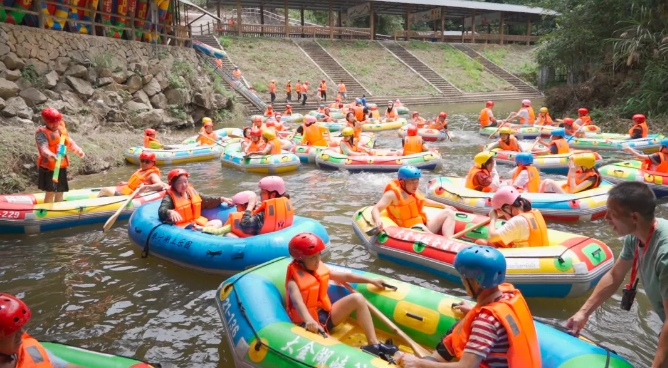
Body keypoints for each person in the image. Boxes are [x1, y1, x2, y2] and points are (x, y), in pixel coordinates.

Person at [565, 182, 668, 367]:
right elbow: (614, 276)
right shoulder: (635, 236)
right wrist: (584, 313)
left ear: (634, 217)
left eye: (612, 213)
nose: (605, 218)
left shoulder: (665, 253)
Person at [395, 246, 541, 368]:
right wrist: (473, 311)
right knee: (460, 326)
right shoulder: (507, 293)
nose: (462, 281)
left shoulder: (486, 322)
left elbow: (465, 367)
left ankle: (429, 361)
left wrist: (418, 363)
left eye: (464, 278)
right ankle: (437, 358)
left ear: (477, 283)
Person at [285, 233, 399, 359]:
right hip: (308, 325)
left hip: (324, 316)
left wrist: (371, 280)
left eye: (319, 255)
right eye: (312, 257)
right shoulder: (293, 283)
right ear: (300, 260)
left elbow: (344, 277)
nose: (318, 260)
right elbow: (298, 303)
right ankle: (360, 357)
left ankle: (373, 344)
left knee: (357, 298)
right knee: (337, 347)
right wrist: (309, 321)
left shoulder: (318, 269)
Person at [0, 293, 85, 368]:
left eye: (20, 329)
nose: (21, 333)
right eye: (13, 331)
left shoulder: (28, 349)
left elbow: (61, 365)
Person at [371, 166, 454, 236]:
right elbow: (376, 209)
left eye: (416, 182)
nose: (415, 185)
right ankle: (441, 241)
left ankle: (449, 241)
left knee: (448, 213)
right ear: (402, 182)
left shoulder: (414, 190)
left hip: (423, 226)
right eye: (411, 182)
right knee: (420, 227)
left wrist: (444, 206)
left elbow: (424, 201)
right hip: (407, 232)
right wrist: (378, 220)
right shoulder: (392, 194)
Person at [36, 107, 85, 204]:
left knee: (60, 189)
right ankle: (48, 209)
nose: (55, 124)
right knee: (50, 191)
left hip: (60, 165)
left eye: (57, 121)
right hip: (49, 167)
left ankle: (59, 205)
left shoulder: (61, 129)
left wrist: (78, 150)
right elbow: (43, 148)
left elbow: (69, 142)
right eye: (51, 122)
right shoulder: (42, 133)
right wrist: (50, 155)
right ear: (45, 121)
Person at [158, 169, 232, 228]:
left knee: (218, 223)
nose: (184, 185)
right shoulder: (169, 197)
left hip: (195, 223)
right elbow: (162, 210)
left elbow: (206, 199)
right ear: (173, 185)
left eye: (185, 181)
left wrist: (221, 199)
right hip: (183, 228)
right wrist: (169, 212)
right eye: (179, 182)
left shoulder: (190, 192)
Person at [477, 186, 548, 248]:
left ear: (507, 207)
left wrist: (493, 218)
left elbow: (491, 237)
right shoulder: (532, 212)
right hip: (537, 252)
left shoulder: (517, 221)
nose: (504, 215)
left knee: (480, 242)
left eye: (502, 211)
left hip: (523, 258)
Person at [226, 176, 294, 237]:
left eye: (263, 192)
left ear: (273, 195)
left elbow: (245, 226)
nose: (260, 194)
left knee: (227, 234)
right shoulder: (285, 205)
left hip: (261, 243)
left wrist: (250, 205)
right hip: (280, 235)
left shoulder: (262, 215)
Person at [98, 151, 166, 197]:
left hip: (132, 196)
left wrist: (145, 187)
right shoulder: (141, 170)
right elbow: (137, 182)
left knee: (105, 190)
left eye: (147, 162)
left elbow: (160, 185)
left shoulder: (152, 175)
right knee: (105, 191)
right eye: (142, 161)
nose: (144, 163)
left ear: (153, 163)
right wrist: (127, 183)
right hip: (127, 191)